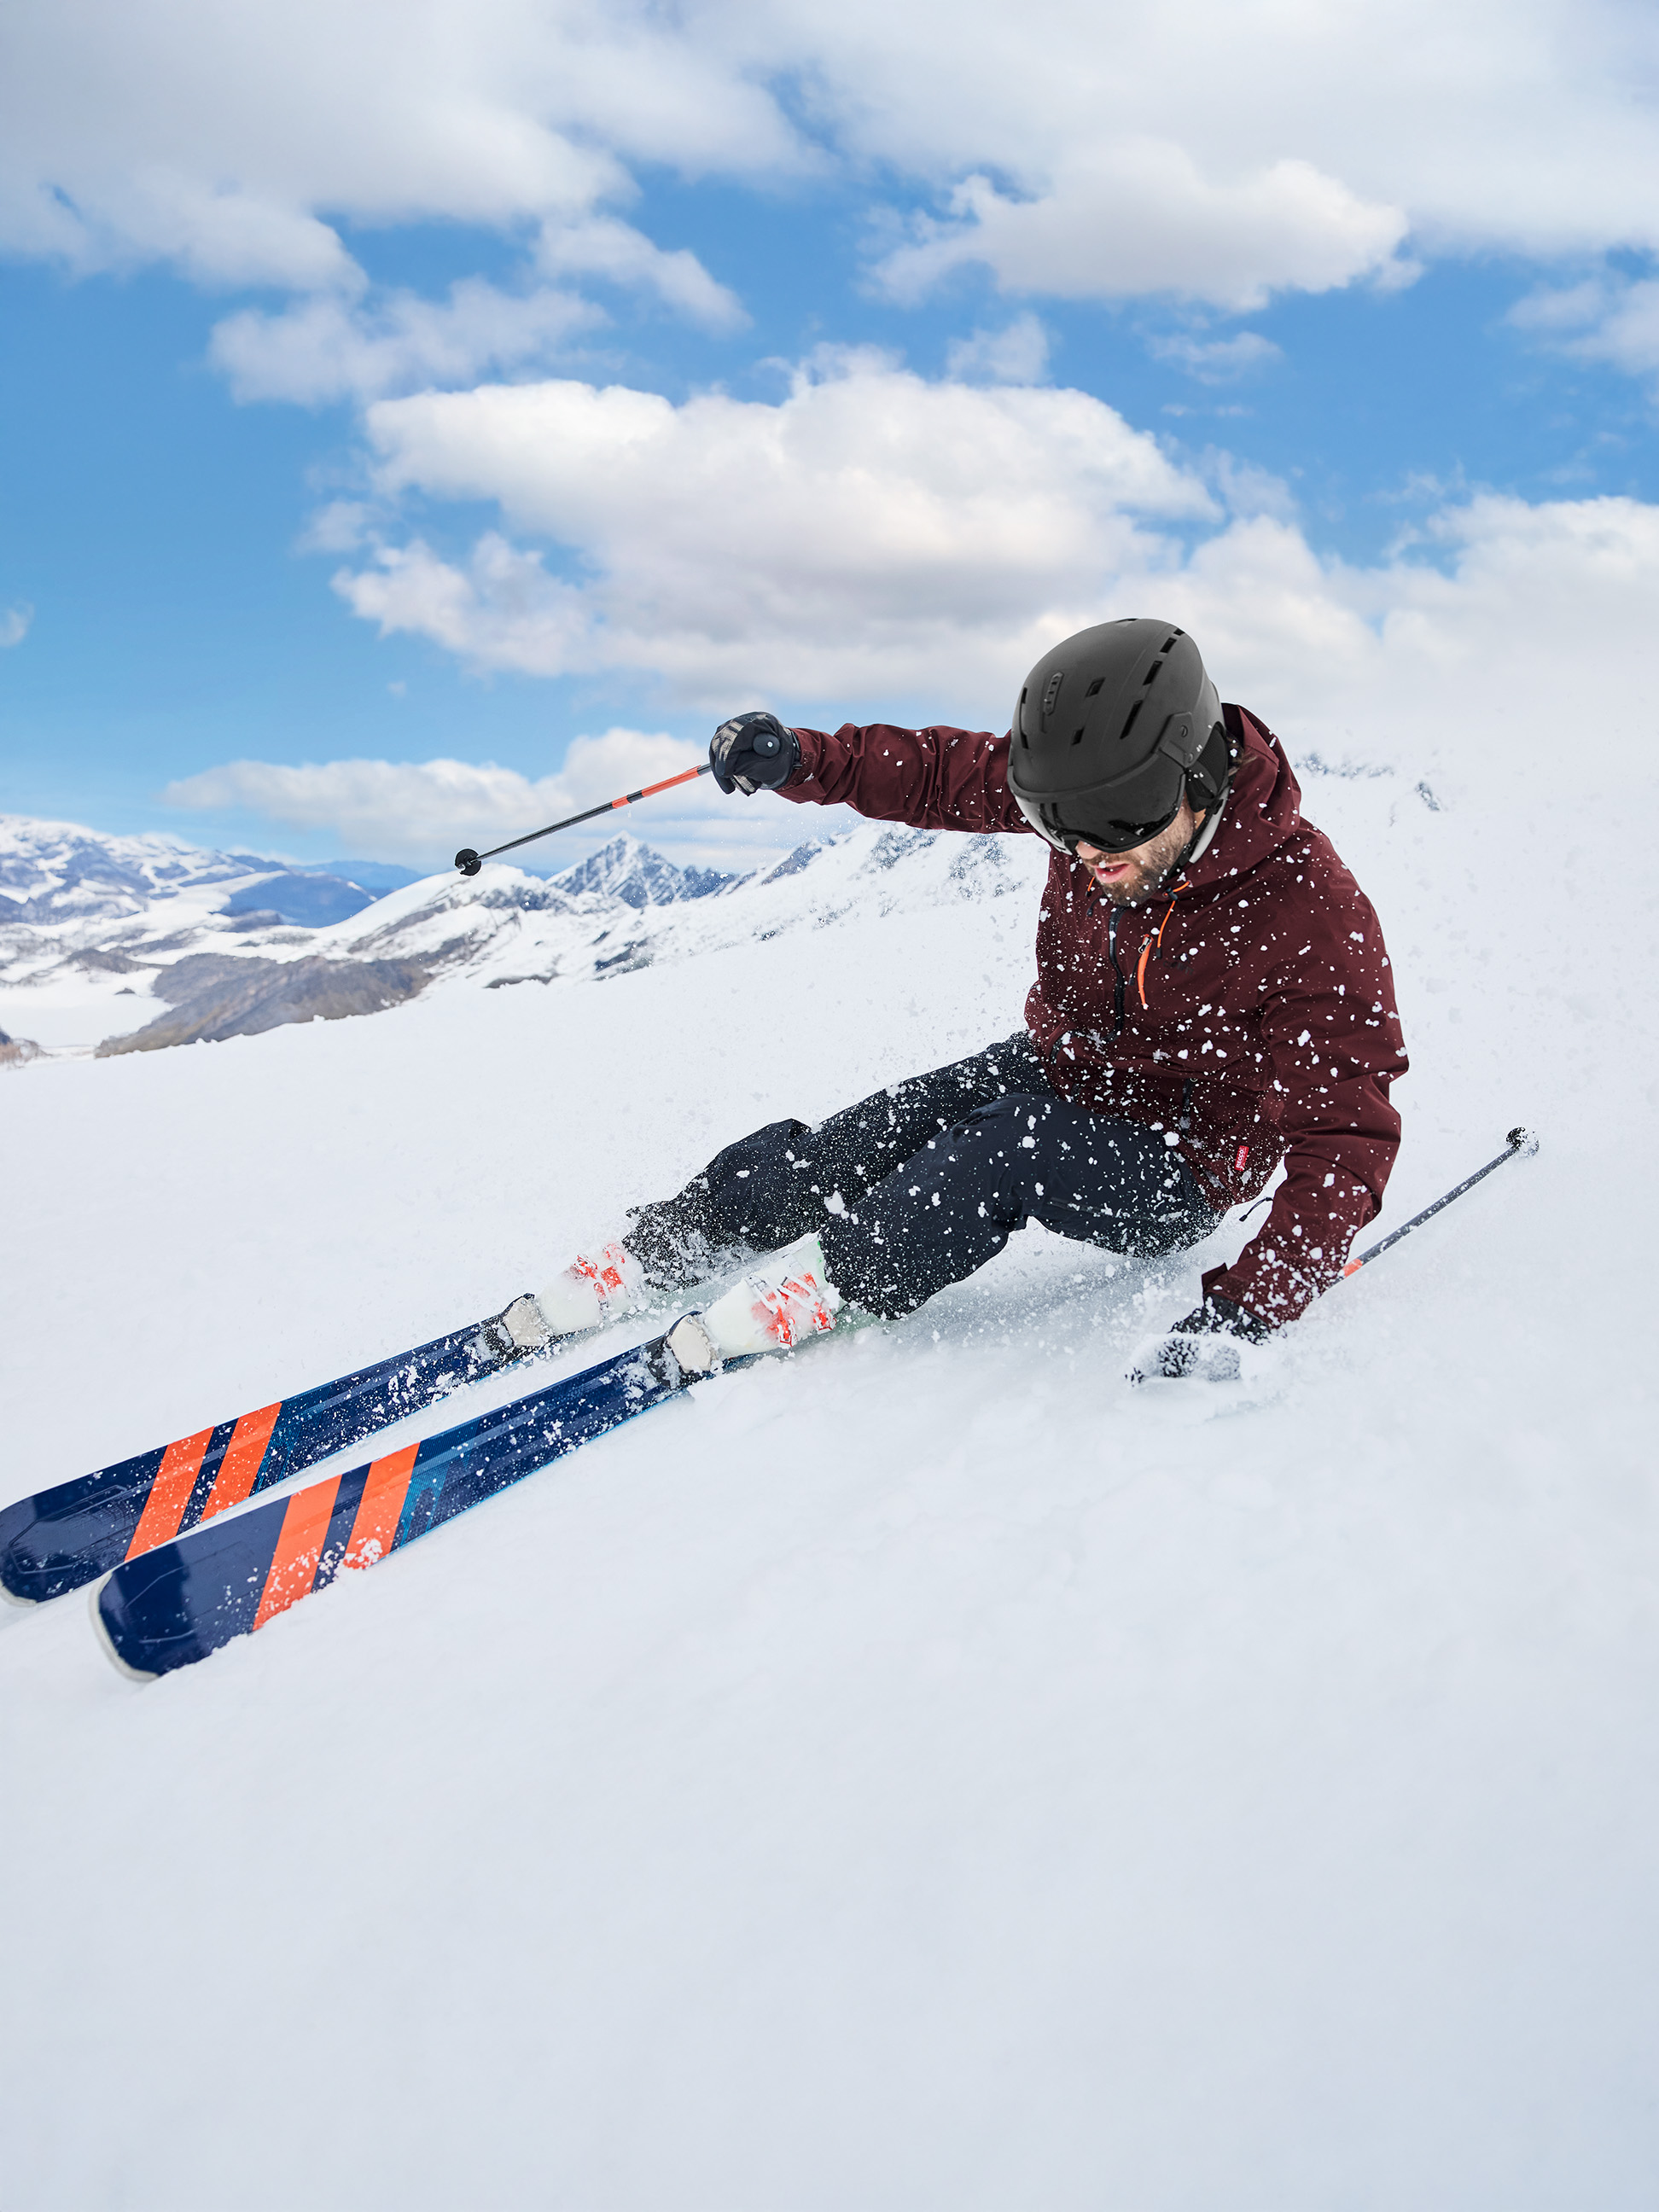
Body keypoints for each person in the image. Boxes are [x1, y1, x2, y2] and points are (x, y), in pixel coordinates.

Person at [530, 618, 1407, 1377]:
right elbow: (938, 774)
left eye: (1125, 816)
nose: (1092, 852)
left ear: (1195, 772)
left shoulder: (1305, 910)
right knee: (874, 1132)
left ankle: (841, 1277)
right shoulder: (1087, 810)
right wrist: (804, 759)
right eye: (1060, 822)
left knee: (996, 1149)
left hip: (1183, 1159)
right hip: (1068, 1066)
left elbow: (1347, 1137)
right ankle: (687, 1234)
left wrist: (1250, 1308)